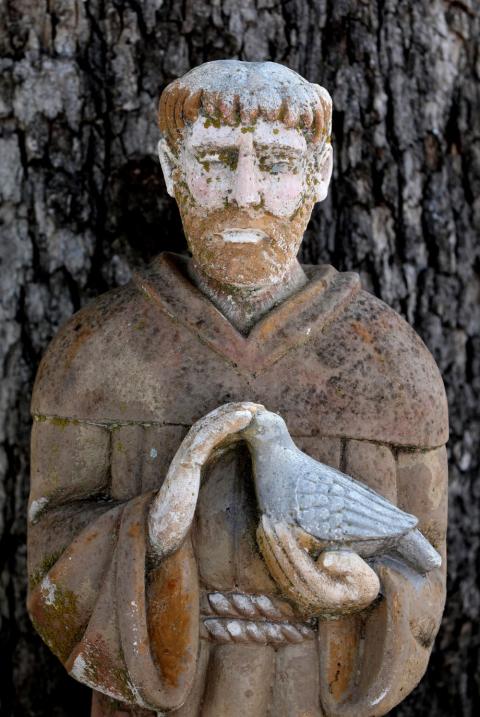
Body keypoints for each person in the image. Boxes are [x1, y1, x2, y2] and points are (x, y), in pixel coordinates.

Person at [28, 60, 448, 717]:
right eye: (217, 158)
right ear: (171, 170)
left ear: (321, 172)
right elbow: (51, 560)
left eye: (276, 163)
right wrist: (153, 532)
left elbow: (425, 567)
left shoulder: (391, 365)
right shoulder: (96, 355)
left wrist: (365, 589)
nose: (243, 192)